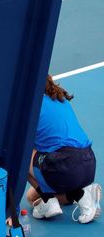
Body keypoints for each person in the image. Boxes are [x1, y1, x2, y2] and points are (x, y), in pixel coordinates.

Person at [26, 75, 101, 224]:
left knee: (21, 155)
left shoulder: (32, 107)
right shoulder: (60, 99)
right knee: (31, 196)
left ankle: (48, 201)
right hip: (88, 164)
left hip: (66, 165)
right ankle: (82, 195)